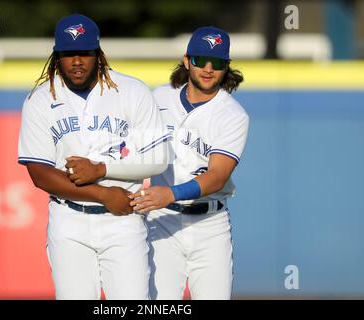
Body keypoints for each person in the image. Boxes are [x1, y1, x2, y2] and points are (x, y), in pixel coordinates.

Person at [17, 14, 169, 300]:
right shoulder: (39, 100)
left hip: (124, 220)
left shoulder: (132, 91)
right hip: (69, 220)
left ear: (98, 54)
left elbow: (159, 159)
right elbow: (39, 174)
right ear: (56, 56)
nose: (77, 61)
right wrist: (103, 194)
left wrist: (101, 169)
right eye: (68, 53)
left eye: (85, 53)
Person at [128, 26, 250, 300]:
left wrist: (170, 193)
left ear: (226, 67)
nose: (208, 68)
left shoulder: (233, 115)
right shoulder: (158, 98)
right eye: (200, 60)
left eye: (217, 63)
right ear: (187, 60)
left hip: (210, 224)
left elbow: (217, 176)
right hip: (161, 220)